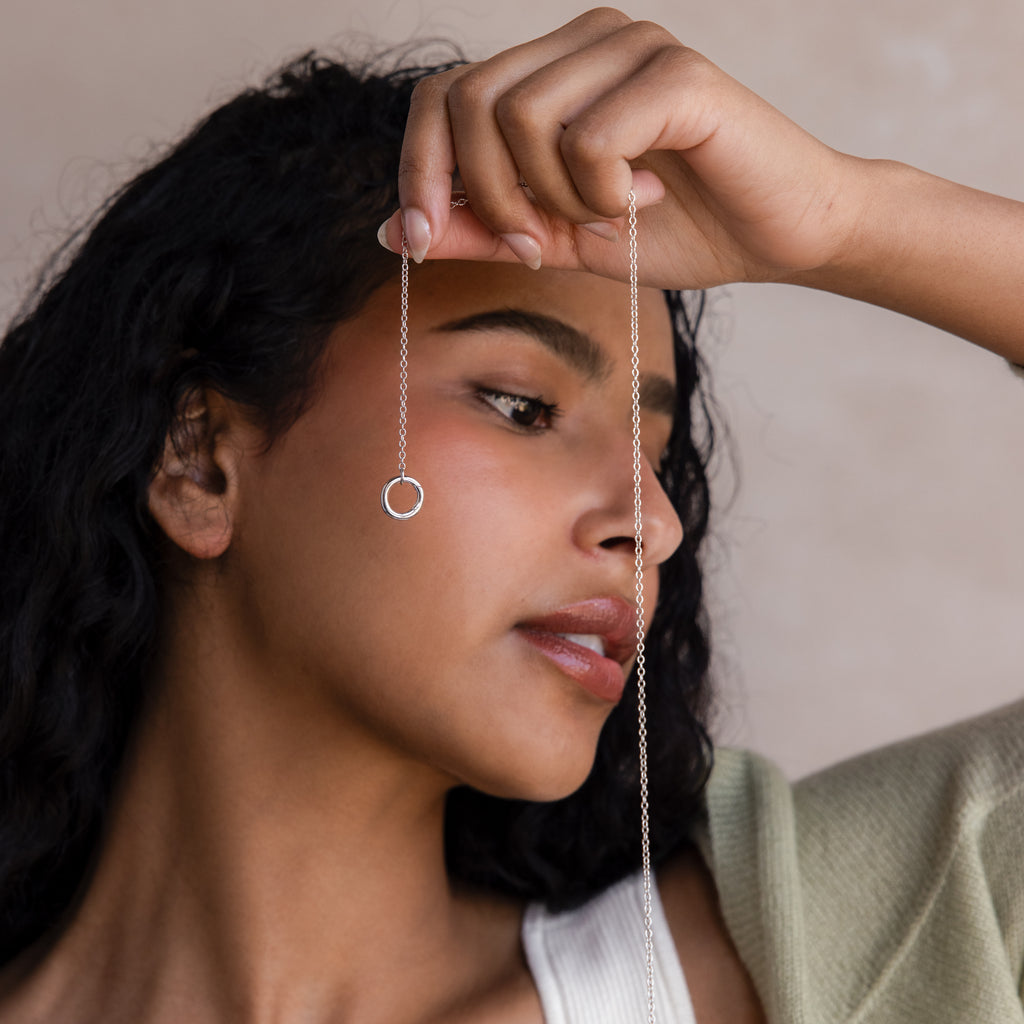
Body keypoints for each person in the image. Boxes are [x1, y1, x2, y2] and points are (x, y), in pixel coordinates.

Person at [0, 8, 1021, 1023]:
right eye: (523, 407)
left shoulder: (826, 958)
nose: (651, 523)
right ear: (198, 462)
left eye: (661, 459)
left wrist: (846, 223)